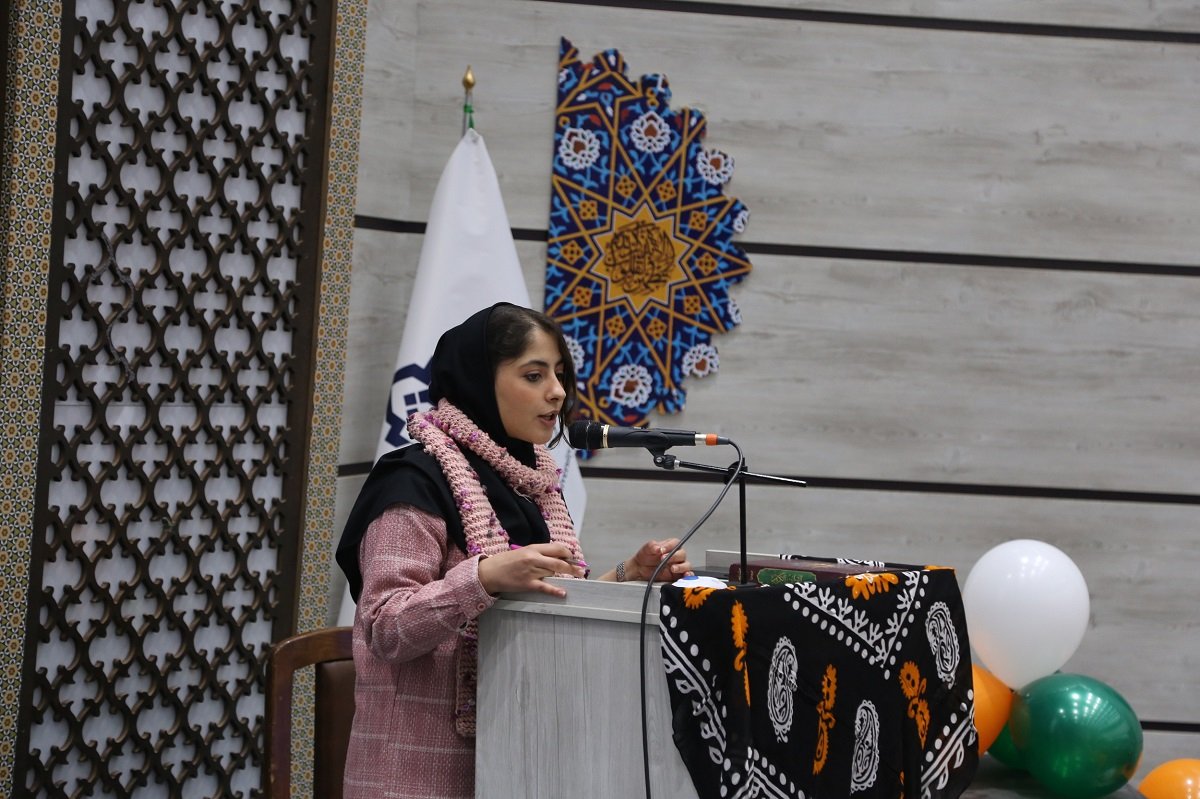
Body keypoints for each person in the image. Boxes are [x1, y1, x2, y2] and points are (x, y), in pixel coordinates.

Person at [336, 302, 691, 799]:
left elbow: (542, 604)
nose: (557, 391)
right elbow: (384, 628)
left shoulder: (531, 483)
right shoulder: (413, 482)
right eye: (534, 375)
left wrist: (630, 573)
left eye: (560, 374)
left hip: (526, 756)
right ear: (480, 381)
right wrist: (481, 579)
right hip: (418, 772)